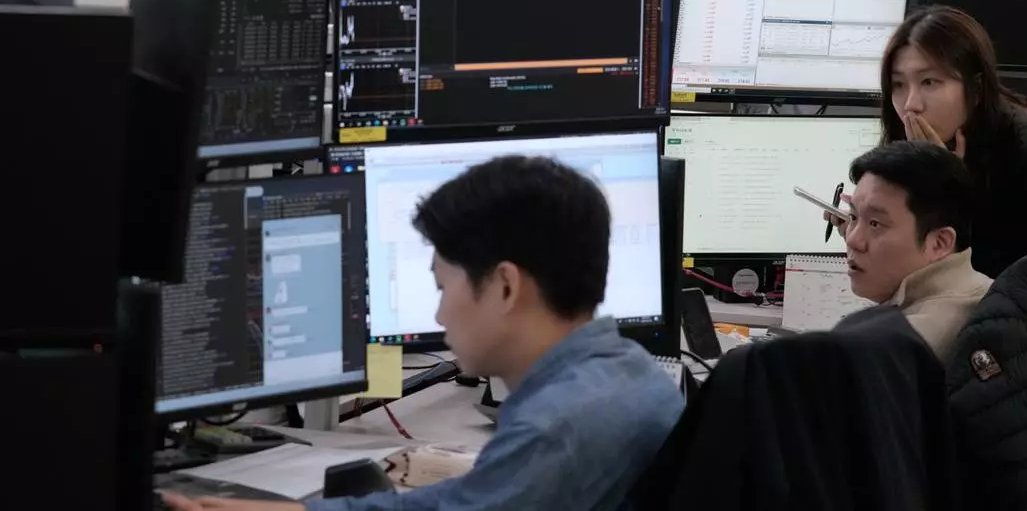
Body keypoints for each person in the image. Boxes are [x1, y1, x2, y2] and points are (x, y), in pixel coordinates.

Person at [162, 156, 684, 511]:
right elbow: (466, 501)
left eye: (442, 288)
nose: (438, 316)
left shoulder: (558, 428)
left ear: (505, 287)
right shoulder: (625, 375)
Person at [830, 6, 1027, 332]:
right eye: (898, 85)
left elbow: (987, 277)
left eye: (930, 81)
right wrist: (872, 226)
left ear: (976, 88)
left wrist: (947, 187)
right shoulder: (939, 147)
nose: (911, 103)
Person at [843, 140, 994, 362]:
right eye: (853, 218)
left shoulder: (901, 346)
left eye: (875, 224)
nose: (853, 240)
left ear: (939, 243)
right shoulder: (980, 289)